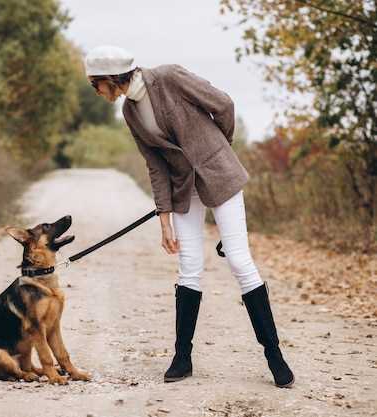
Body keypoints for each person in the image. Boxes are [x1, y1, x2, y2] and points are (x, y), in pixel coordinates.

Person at [84, 45, 294, 388]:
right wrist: (164, 218)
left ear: (108, 78)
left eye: (95, 85)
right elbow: (156, 166)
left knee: (240, 262)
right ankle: (182, 358)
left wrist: (218, 149)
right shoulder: (131, 114)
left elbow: (223, 104)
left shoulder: (169, 77)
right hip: (184, 189)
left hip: (220, 175)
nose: (96, 92)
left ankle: (274, 355)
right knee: (189, 267)